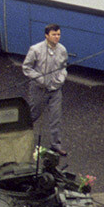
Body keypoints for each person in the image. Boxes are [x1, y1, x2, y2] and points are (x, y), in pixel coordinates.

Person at [24, 23, 69, 155]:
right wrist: (40, 79)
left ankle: (56, 145)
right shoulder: (35, 49)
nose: (57, 37)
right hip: (39, 89)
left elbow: (63, 67)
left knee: (56, 117)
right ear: (46, 35)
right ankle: (21, 137)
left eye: (59, 34)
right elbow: (26, 68)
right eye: (54, 34)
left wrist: (60, 80)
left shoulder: (62, 50)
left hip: (55, 89)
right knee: (33, 114)